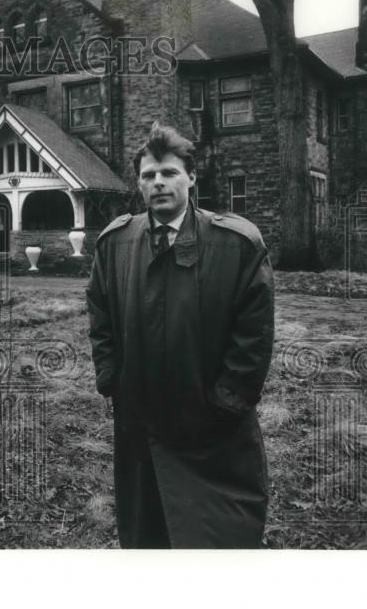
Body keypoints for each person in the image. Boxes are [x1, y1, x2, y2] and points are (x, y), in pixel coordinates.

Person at [86, 122, 275, 548]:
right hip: (140, 425)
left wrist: (227, 402)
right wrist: (111, 376)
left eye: (168, 173)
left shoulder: (236, 244)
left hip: (211, 430)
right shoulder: (114, 243)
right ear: (138, 183)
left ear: (192, 176)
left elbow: (254, 334)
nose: (158, 183)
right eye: (148, 175)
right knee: (148, 535)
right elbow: (99, 313)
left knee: (216, 539)